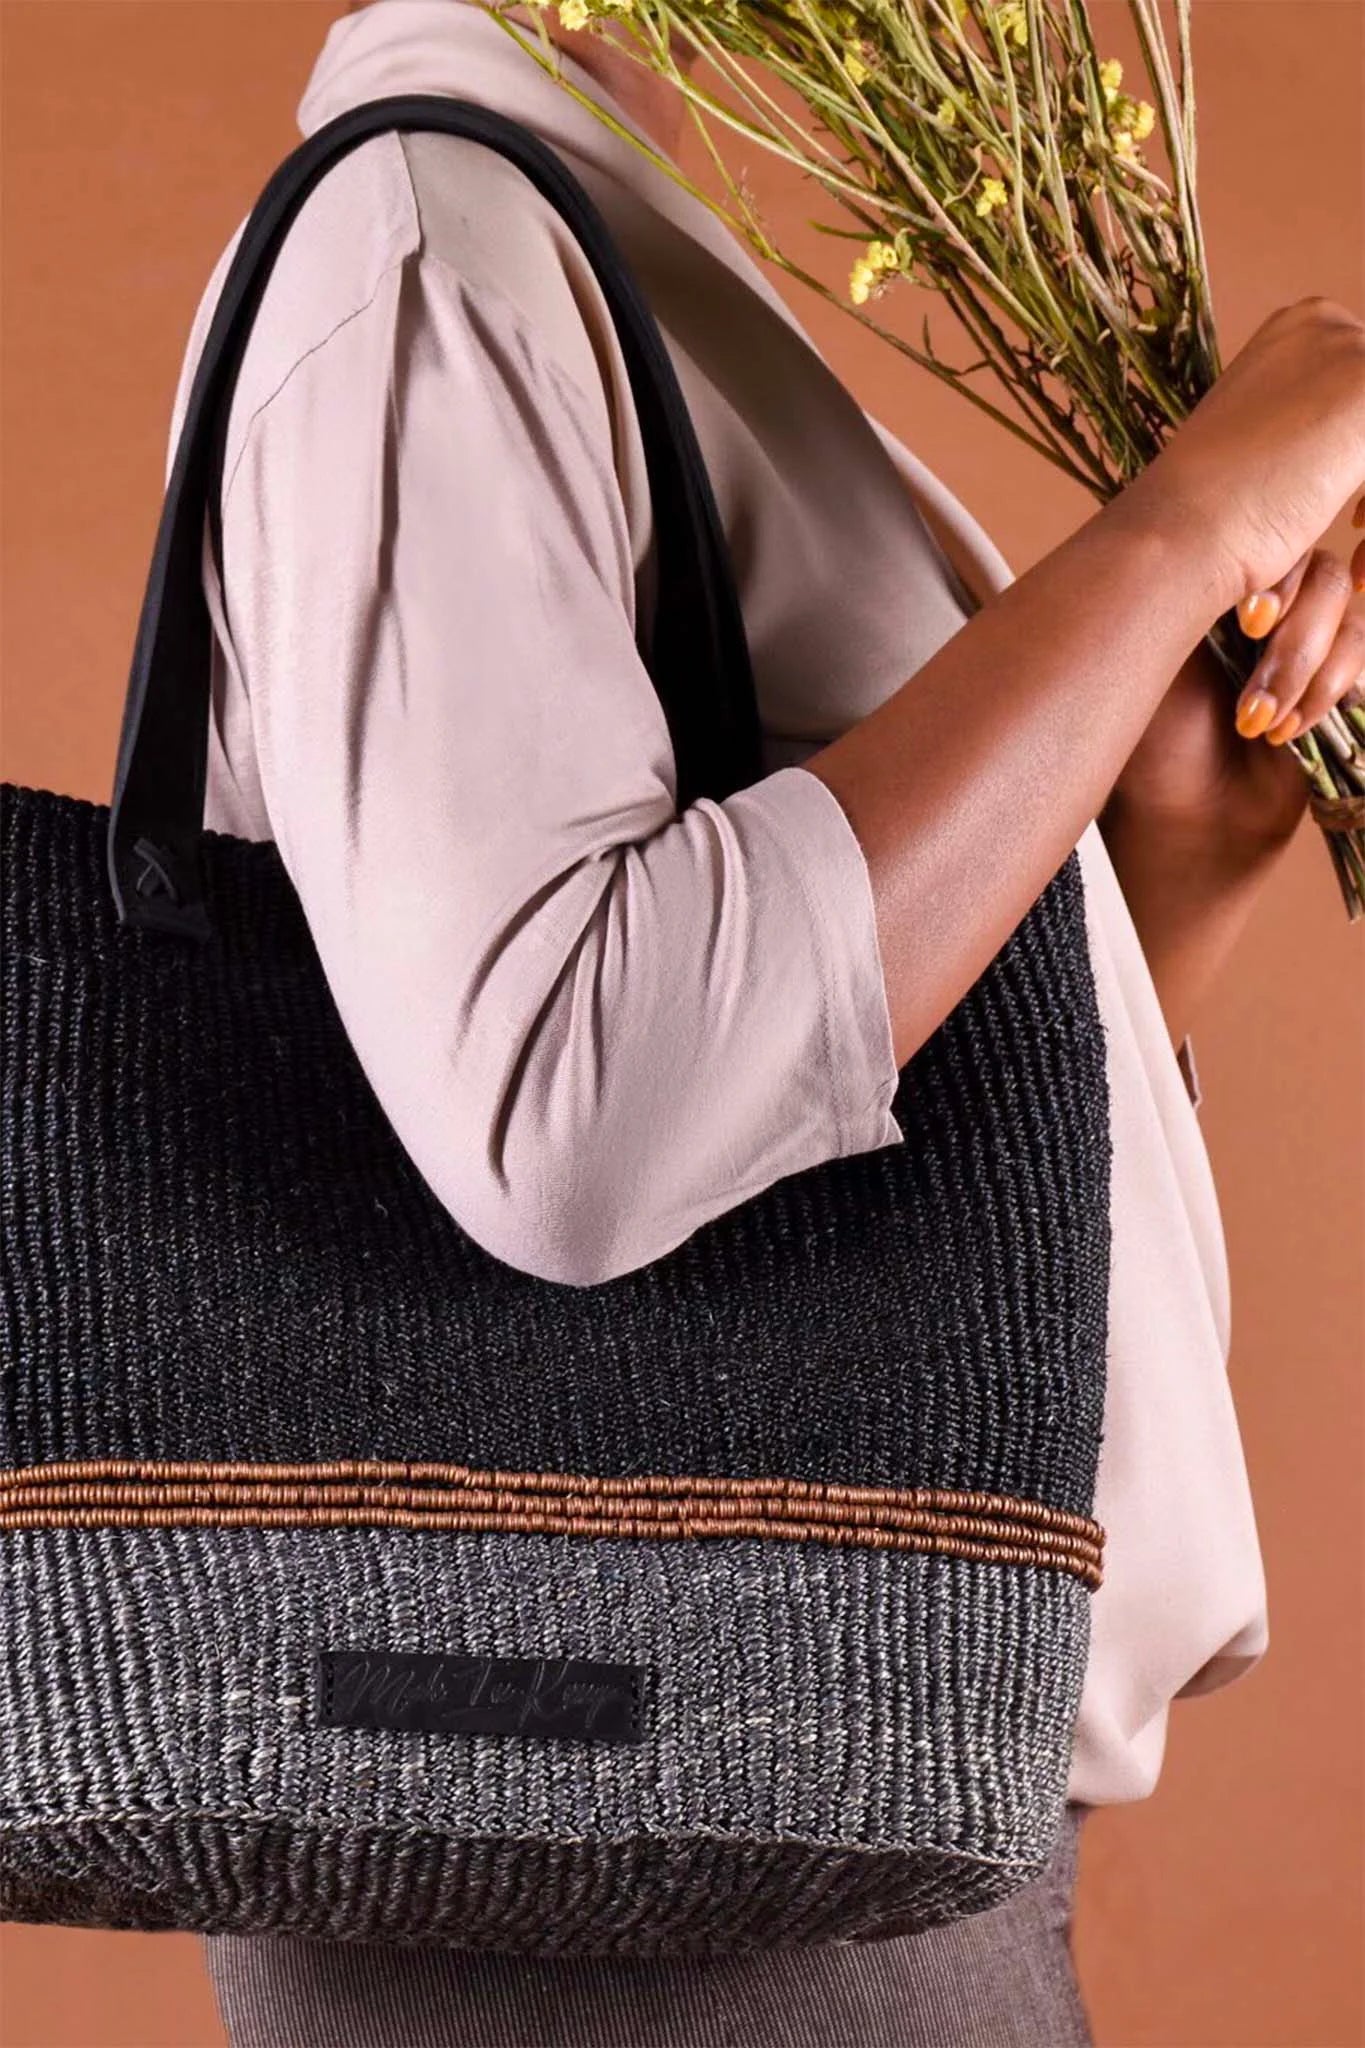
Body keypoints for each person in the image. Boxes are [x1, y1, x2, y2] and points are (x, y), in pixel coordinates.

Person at [167, 0, 1365, 2040]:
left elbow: (814, 1154)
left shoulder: (596, 243)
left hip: (775, 1800)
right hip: (624, 1857)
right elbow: (574, 1101)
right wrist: (1174, 534)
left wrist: (1159, 851)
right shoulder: (427, 244)